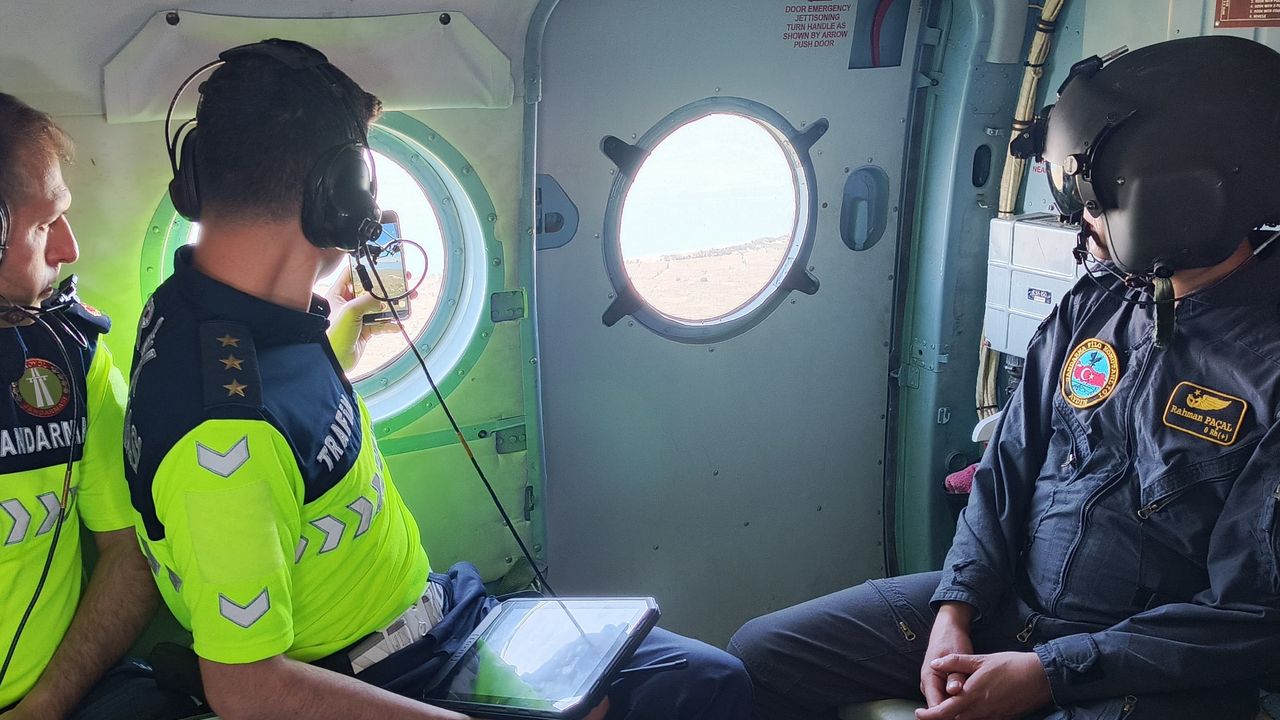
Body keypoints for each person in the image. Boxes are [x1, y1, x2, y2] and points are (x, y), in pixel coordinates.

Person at [123, 39, 751, 720]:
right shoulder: (222, 438)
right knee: (707, 689)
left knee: (704, 676)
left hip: (440, 614)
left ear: (197, 176)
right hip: (387, 674)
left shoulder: (215, 314)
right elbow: (247, 689)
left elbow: (286, 437)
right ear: (337, 200)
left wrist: (345, 334)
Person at [729, 35, 1280, 720]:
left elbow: (1252, 613)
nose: (1083, 221)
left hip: (1145, 660)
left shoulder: (1267, 370)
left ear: (1177, 205)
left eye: (1098, 203)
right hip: (1008, 608)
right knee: (761, 655)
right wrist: (955, 607)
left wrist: (1050, 674)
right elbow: (1006, 466)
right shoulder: (1096, 302)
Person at [0, 94, 198, 719]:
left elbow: (129, 551)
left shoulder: (72, 356)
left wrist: (45, 707)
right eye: (42, 225)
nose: (69, 249)